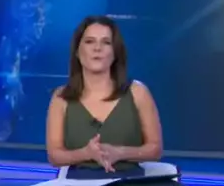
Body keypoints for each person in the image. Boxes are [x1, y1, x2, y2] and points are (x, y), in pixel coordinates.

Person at [45, 15, 163, 172]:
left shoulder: (138, 92)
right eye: (89, 41)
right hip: (77, 185)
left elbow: (155, 149)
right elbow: (54, 156)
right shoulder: (61, 98)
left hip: (130, 184)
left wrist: (120, 153)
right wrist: (86, 153)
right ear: (77, 52)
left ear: (115, 52)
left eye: (106, 42)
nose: (97, 48)